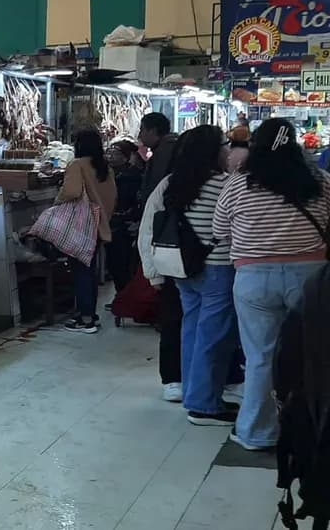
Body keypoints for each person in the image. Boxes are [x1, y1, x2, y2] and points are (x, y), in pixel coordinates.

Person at [214, 118, 330, 452]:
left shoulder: (239, 184)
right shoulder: (319, 181)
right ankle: (310, 430)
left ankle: (257, 432)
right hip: (311, 277)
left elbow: (219, 229)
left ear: (256, 146)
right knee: (311, 355)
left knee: (260, 358)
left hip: (254, 279)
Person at [140, 125, 238, 426]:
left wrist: (152, 271)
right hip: (217, 269)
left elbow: (149, 224)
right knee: (213, 336)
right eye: (225, 145)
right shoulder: (226, 185)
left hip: (182, 269)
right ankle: (204, 405)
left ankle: (193, 394)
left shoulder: (171, 183)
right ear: (214, 151)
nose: (229, 150)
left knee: (192, 330)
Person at [138, 111, 183, 402]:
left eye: (142, 129)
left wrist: (153, 271)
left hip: (171, 258)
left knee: (175, 319)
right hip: (203, 266)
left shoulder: (167, 177)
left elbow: (149, 222)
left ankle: (174, 379)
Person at [56, 129, 117, 334]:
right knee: (89, 271)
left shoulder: (77, 165)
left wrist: (58, 200)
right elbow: (112, 196)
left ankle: (86, 318)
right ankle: (90, 313)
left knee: (81, 271)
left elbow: (71, 192)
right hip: (99, 224)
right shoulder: (105, 168)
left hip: (81, 224)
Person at [106, 140, 145, 292]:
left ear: (126, 157)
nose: (110, 156)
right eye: (109, 152)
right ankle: (121, 297)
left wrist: (132, 218)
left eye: (115, 153)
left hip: (126, 225)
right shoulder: (107, 174)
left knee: (125, 265)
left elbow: (136, 201)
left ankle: (125, 298)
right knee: (114, 264)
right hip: (112, 224)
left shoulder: (133, 175)